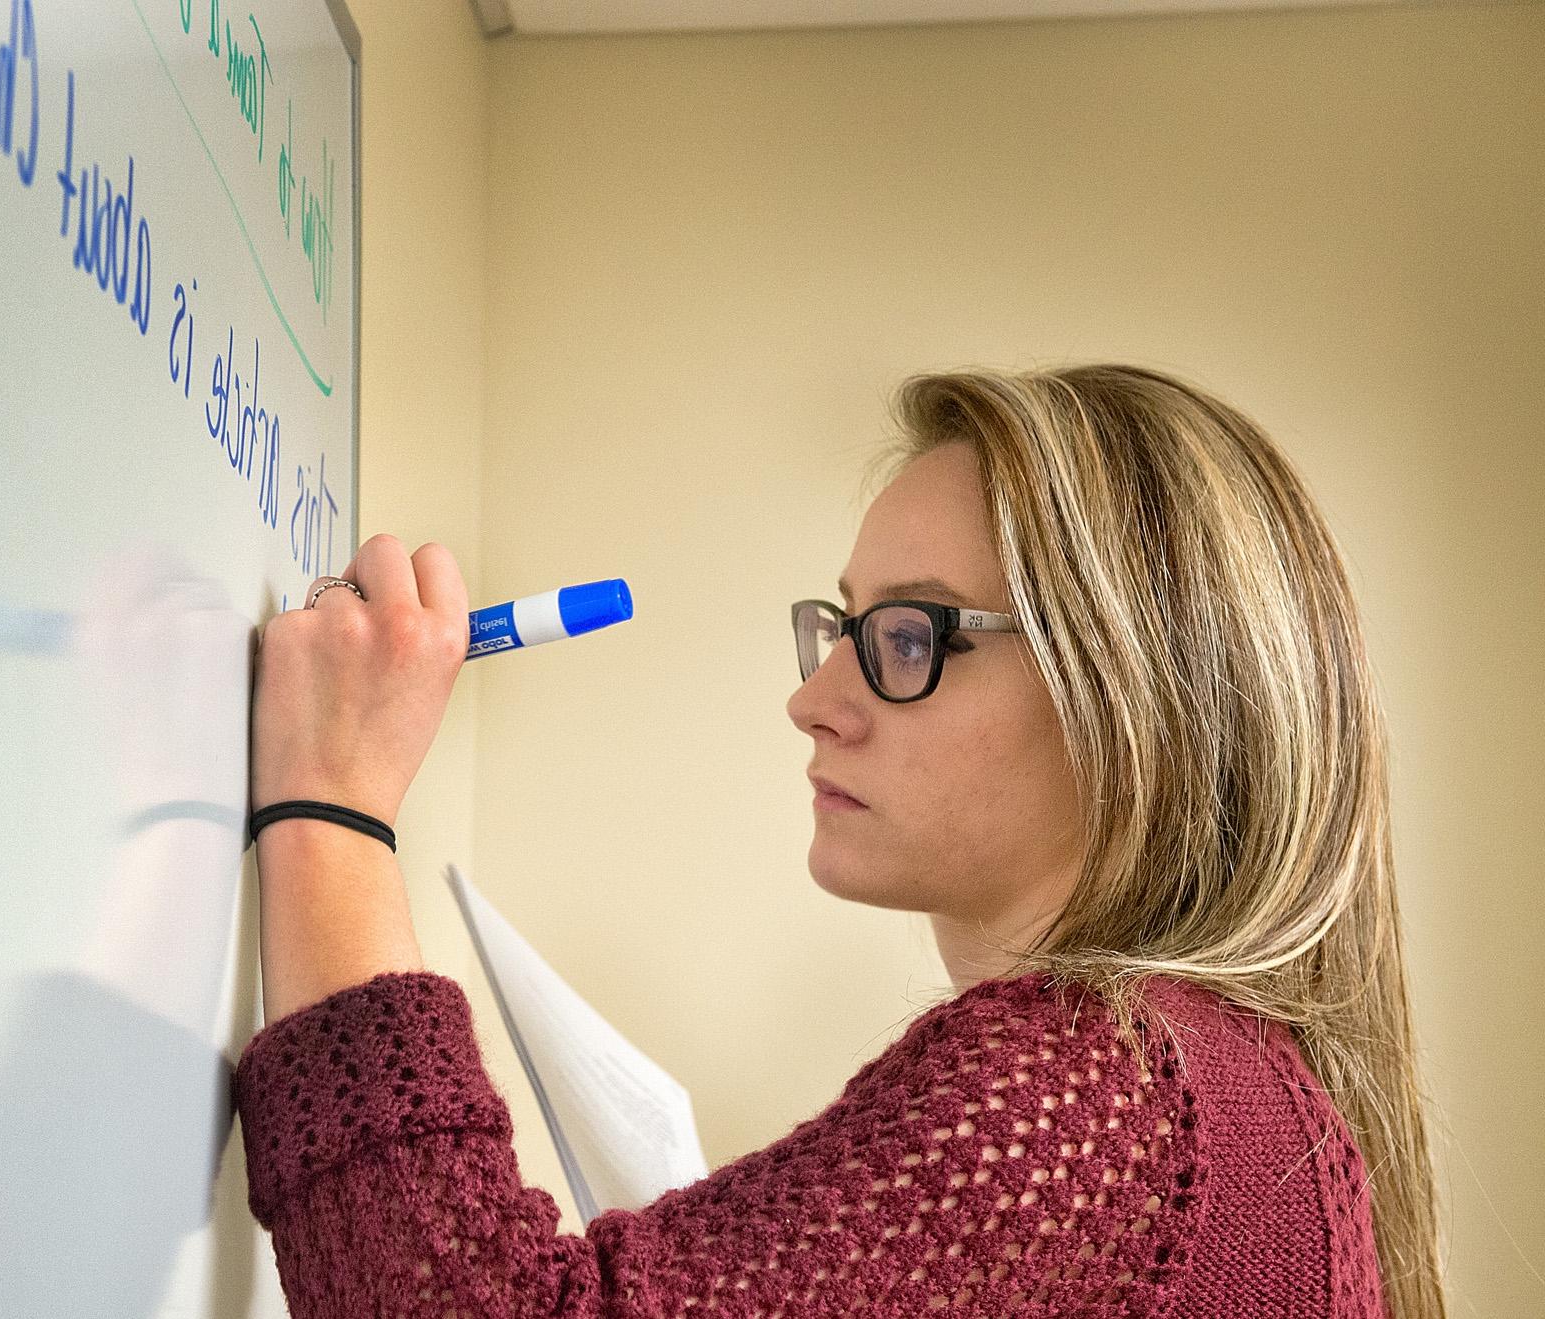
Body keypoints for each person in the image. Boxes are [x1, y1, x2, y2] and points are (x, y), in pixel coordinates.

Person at [232, 364, 1445, 1318]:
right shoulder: (1244, 1096)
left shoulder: (1097, 1097)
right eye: (844, 626)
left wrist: (332, 806)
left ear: (1133, 694)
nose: (817, 702)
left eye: (908, 637)